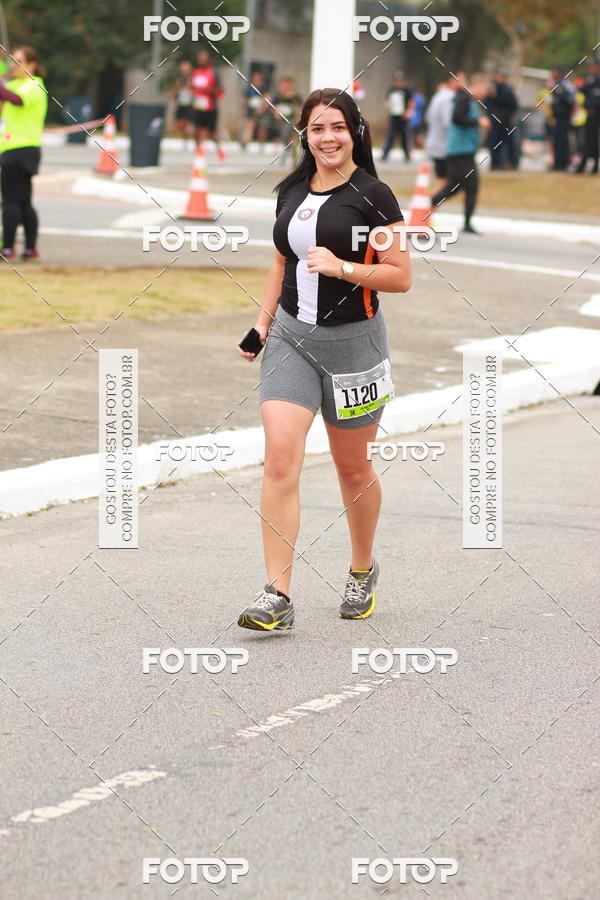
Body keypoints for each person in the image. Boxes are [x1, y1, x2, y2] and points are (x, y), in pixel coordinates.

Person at [235, 88, 411, 631]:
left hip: (355, 346)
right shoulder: (291, 189)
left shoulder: (375, 196)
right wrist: (262, 324)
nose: (327, 138)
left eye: (337, 127)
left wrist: (340, 267)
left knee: (352, 465)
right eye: (316, 129)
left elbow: (399, 275)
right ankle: (276, 595)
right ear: (304, 134)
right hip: (291, 340)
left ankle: (362, 568)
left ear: (355, 131)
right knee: (280, 459)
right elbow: (281, 259)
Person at [0, 46, 47, 262]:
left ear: (32, 64)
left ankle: (7, 248)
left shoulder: (34, 85)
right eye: (12, 60)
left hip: (20, 149)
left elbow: (16, 99)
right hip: (15, 148)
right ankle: (31, 250)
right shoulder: (16, 83)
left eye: (19, 61)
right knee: (23, 202)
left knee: (10, 201)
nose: (14, 65)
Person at [431, 73, 491, 234]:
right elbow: (457, 118)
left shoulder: (469, 100)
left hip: (464, 151)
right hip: (460, 151)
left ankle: (429, 206)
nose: (486, 93)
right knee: (469, 186)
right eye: (485, 89)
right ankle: (429, 205)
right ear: (477, 86)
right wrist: (478, 122)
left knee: (455, 187)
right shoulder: (464, 98)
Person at [424, 74, 462, 193]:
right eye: (462, 79)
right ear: (452, 80)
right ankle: (428, 206)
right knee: (445, 183)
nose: (464, 83)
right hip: (443, 146)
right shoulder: (448, 98)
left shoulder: (439, 95)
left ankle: (428, 206)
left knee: (443, 181)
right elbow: (448, 122)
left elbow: (427, 117)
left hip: (435, 142)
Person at [192, 50, 225, 160]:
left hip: (211, 107)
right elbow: (193, 87)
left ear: (208, 61)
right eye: (200, 58)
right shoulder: (196, 72)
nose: (201, 61)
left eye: (204, 59)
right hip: (198, 106)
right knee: (196, 131)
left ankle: (219, 148)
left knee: (211, 134)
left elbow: (220, 89)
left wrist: (207, 90)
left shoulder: (213, 73)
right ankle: (198, 154)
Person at [485, 70, 519, 170]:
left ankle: (511, 164)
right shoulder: (492, 89)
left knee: (510, 143)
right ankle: (495, 164)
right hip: (495, 121)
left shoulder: (508, 90)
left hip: (506, 121)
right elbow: (488, 104)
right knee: (494, 143)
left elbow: (513, 104)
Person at [575, 58, 600, 174]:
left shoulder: (594, 78)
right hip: (592, 111)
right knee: (593, 139)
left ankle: (583, 164)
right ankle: (594, 165)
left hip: (594, 111)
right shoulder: (591, 78)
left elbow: (588, 92)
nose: (589, 69)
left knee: (589, 139)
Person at [381, 71, 413, 162]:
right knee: (391, 135)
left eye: (400, 81)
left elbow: (411, 101)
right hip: (394, 116)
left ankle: (407, 155)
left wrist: (408, 112)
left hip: (403, 116)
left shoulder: (407, 89)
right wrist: (387, 105)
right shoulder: (392, 89)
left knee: (405, 136)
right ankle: (385, 154)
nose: (398, 83)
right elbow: (386, 100)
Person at [271, 76, 302, 165]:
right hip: (281, 121)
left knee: (293, 141)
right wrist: (276, 112)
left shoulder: (296, 97)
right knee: (284, 137)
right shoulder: (278, 96)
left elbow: (299, 109)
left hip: (293, 121)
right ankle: (286, 154)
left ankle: (293, 161)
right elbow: (273, 107)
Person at [549, 65, 575, 171]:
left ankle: (562, 164)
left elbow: (570, 101)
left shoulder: (562, 85)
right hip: (558, 117)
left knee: (562, 141)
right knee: (558, 140)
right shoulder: (557, 84)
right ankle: (558, 163)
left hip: (563, 117)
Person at [241, 70, 269, 148]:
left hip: (261, 111)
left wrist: (261, 109)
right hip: (251, 111)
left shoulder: (263, 88)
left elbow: (266, 99)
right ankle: (245, 142)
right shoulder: (249, 88)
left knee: (261, 129)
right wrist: (244, 110)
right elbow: (245, 100)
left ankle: (262, 145)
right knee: (249, 126)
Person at [172, 60, 194, 149]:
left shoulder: (193, 79)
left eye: (186, 70)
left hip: (190, 105)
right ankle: (186, 138)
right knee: (180, 125)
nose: (184, 72)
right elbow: (174, 91)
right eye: (182, 70)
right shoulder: (178, 80)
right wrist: (175, 92)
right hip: (181, 104)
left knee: (189, 124)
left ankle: (190, 141)